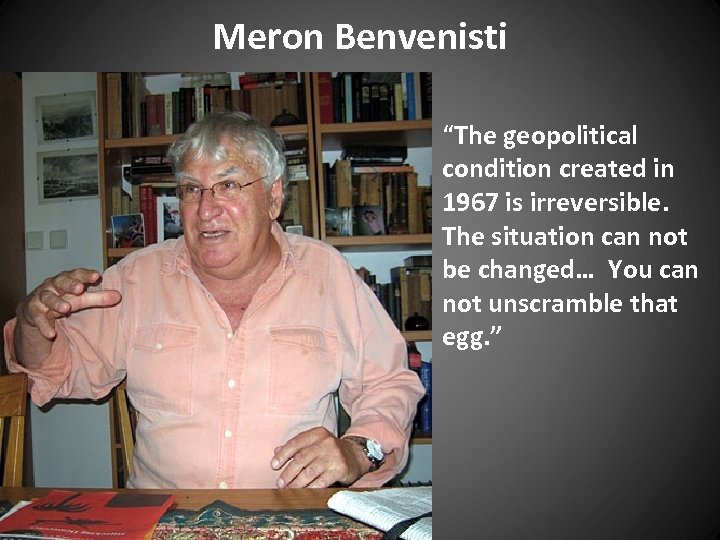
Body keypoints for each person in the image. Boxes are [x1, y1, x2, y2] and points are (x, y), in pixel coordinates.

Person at [3, 111, 425, 490]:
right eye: (191, 189)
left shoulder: (326, 274)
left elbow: (389, 383)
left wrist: (357, 450)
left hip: (289, 521)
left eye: (228, 185)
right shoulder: (137, 279)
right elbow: (56, 371)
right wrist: (32, 324)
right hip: (164, 520)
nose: (206, 210)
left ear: (274, 198)